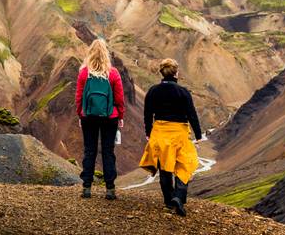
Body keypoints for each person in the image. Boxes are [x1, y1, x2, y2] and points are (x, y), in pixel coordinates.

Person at [139, 58, 202, 217]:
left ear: (162, 72)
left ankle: (169, 202)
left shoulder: (153, 91)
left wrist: (148, 132)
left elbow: (148, 114)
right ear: (176, 73)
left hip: (160, 132)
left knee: (165, 168)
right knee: (185, 164)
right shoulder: (183, 92)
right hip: (179, 133)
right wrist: (199, 134)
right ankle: (179, 196)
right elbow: (191, 114)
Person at [75, 39, 125, 200]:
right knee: (108, 151)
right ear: (106, 54)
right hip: (110, 117)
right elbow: (119, 98)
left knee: (89, 151)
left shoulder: (84, 73)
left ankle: (86, 187)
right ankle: (110, 189)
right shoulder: (113, 73)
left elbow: (79, 97)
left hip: (88, 116)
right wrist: (121, 116)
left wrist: (80, 114)